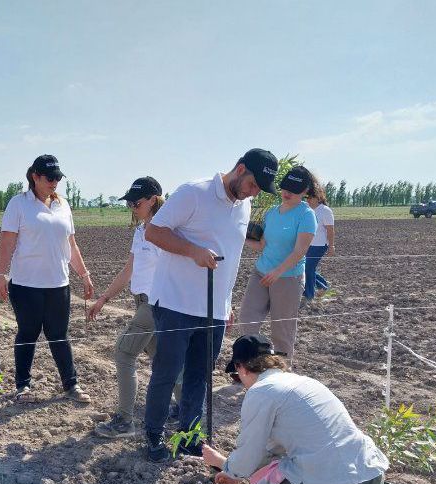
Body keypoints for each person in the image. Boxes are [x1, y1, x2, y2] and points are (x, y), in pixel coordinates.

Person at [143, 148, 279, 461]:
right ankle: (153, 436)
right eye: (252, 184)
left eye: (259, 189)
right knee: (167, 372)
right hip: (176, 302)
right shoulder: (194, 192)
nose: (253, 192)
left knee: (199, 377)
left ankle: (190, 438)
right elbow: (154, 231)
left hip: (213, 309)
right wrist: (192, 251)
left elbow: (230, 258)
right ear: (240, 168)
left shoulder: (244, 206)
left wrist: (226, 302)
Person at [203, 334, 388, 484]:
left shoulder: (261, 392)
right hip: (372, 482)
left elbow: (251, 457)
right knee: (290, 462)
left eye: (235, 373)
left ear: (241, 368)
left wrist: (225, 466)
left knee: (270, 473)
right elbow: (278, 449)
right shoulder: (306, 383)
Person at [0, 155, 93, 404]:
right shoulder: (18, 204)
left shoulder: (64, 205)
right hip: (26, 285)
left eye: (58, 177)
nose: (55, 182)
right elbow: (7, 243)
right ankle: (22, 386)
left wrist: (84, 274)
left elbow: (71, 244)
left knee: (59, 335)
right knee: (28, 333)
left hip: (58, 284)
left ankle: (71, 384)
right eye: (50, 177)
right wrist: (0, 275)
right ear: (34, 177)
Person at [88, 177, 181, 437]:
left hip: (156, 304)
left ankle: (124, 421)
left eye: (136, 202)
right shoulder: (141, 231)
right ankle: (185, 409)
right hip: (142, 301)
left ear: (153, 200)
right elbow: (129, 270)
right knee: (162, 359)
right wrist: (104, 298)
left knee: (124, 352)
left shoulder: (166, 232)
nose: (131, 206)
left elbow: (178, 270)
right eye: (129, 202)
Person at [239, 166, 318, 361]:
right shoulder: (272, 213)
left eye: (294, 189)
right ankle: (251, 365)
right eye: (285, 187)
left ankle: (284, 374)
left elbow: (300, 251)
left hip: (288, 278)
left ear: (305, 191)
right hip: (261, 273)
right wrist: (239, 237)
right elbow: (262, 245)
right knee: (247, 320)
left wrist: (278, 271)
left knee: (281, 331)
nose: (287, 192)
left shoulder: (306, 215)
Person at [302, 186, 335, 305]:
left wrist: (331, 246)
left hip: (320, 245)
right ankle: (322, 285)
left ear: (318, 197)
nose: (308, 200)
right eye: (307, 198)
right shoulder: (307, 209)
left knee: (308, 268)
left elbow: (330, 230)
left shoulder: (325, 211)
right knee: (306, 267)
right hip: (307, 244)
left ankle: (308, 295)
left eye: (311, 197)